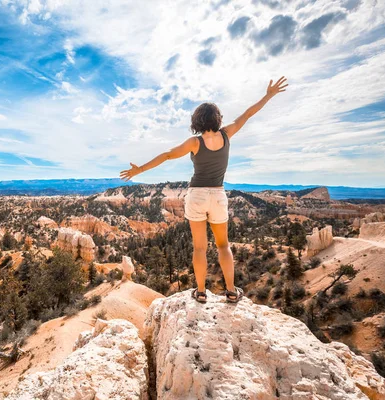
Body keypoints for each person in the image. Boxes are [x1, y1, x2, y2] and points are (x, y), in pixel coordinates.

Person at [120, 76, 288, 303]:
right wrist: (268, 95)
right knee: (223, 245)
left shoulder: (195, 142)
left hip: (197, 195)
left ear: (197, 120)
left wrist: (140, 169)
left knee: (199, 248)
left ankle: (200, 292)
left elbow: (168, 155)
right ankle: (230, 291)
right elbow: (248, 114)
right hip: (218, 195)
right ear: (218, 119)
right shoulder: (227, 134)